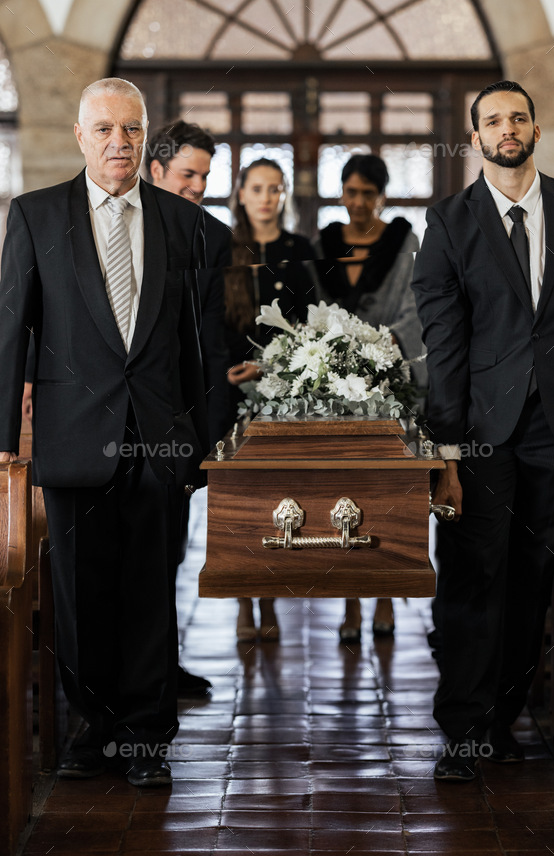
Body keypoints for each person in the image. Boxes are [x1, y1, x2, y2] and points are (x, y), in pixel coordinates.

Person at [0, 78, 212, 787]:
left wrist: (201, 440)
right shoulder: (34, 215)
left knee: (152, 589)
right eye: (104, 130)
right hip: (72, 436)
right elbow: (11, 331)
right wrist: (5, 438)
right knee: (82, 595)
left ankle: (148, 736)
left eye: (130, 131)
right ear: (79, 135)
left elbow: (200, 344)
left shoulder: (181, 224)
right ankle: (94, 727)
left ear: (145, 138)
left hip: (161, 439)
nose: (118, 144)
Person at [412, 80, 554, 782]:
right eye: (493, 120)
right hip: (481, 430)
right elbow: (444, 342)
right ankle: (464, 730)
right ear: (476, 137)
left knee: (532, 571)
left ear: (535, 131)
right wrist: (447, 447)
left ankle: (506, 717)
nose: (507, 128)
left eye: (518, 117)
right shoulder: (450, 222)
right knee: (472, 571)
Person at [315, 153, 423, 644]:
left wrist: (378, 351)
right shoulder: (326, 243)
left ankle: (385, 594)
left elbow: (414, 308)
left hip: (391, 383)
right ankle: (351, 600)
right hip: (337, 390)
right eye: (351, 192)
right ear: (341, 193)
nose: (358, 203)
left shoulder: (404, 240)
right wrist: (336, 356)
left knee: (388, 494)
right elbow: (314, 309)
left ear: (381, 195)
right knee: (344, 492)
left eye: (368, 194)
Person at [147, 120, 232, 697]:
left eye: (205, 175)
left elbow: (211, 340)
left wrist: (211, 438)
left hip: (178, 419)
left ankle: (159, 670)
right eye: (187, 174)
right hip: (114, 416)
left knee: (170, 553)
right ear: (155, 172)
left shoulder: (212, 236)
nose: (198, 186)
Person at [225, 157, 316, 642]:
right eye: (257, 188)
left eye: (274, 189)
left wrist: (272, 367)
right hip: (232, 390)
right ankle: (244, 601)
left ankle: (270, 596)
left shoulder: (299, 249)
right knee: (239, 501)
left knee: (277, 496)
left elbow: (308, 324)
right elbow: (217, 321)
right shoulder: (225, 244)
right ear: (241, 193)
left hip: (281, 390)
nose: (266, 197)